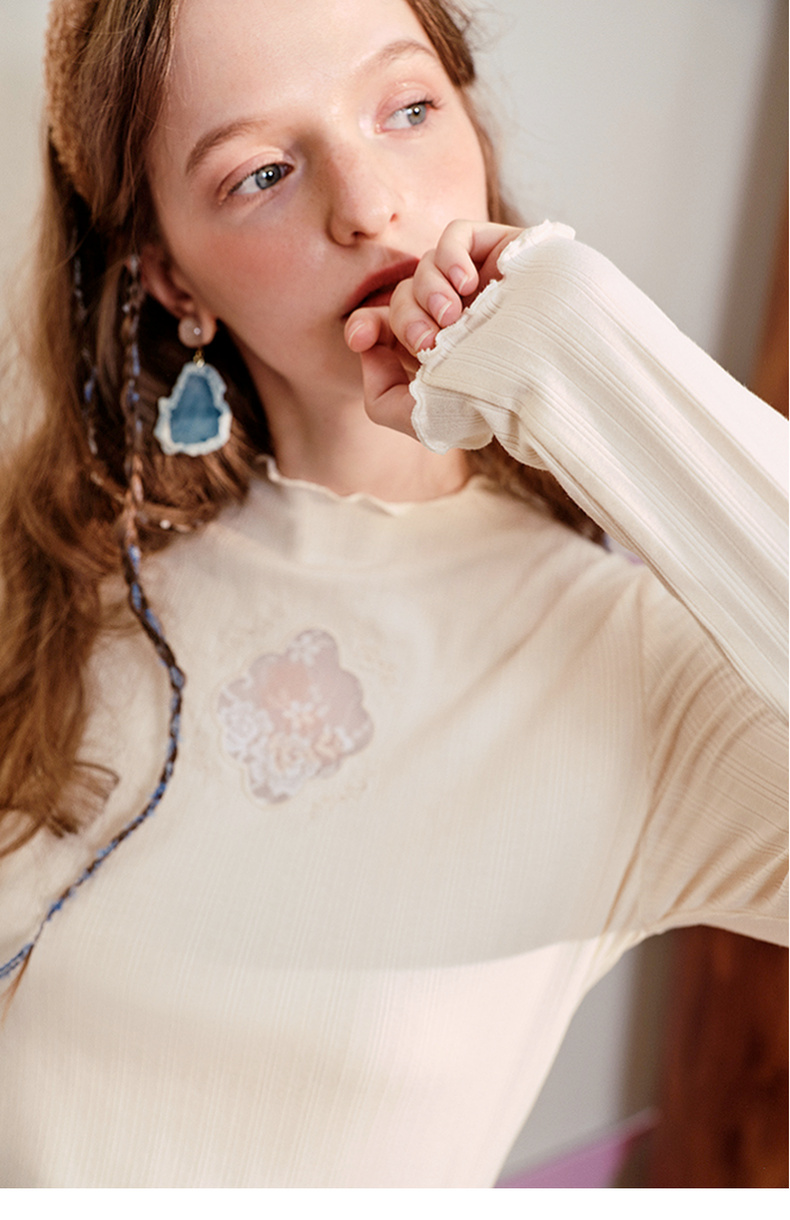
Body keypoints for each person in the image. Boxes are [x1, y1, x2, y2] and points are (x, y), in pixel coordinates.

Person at [0, 0, 786, 1190]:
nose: (367, 204)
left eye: (408, 108)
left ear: (473, 124)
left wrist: (579, 350)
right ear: (169, 274)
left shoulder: (630, 671)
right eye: (262, 172)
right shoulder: (46, 582)